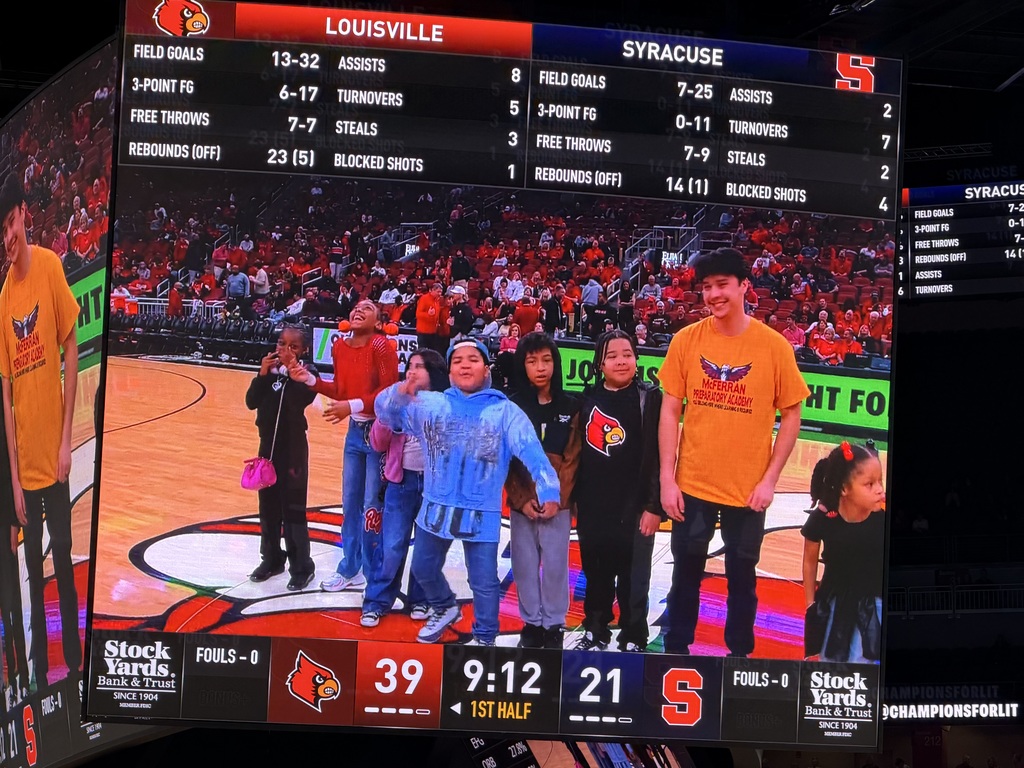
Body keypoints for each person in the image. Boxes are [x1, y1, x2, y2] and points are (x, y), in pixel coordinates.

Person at [658, 248, 810, 657]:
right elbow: (671, 410)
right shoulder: (686, 340)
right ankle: (676, 649)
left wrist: (770, 480)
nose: (713, 294)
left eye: (722, 284)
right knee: (685, 576)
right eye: (706, 287)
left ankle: (739, 655)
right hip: (691, 484)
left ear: (745, 286)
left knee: (742, 580)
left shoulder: (774, 346)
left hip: (748, 491)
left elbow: (792, 412)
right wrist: (667, 478)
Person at [374, 338, 559, 645]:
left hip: (480, 513)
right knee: (422, 567)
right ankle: (445, 606)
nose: (465, 364)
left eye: (473, 359)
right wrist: (399, 392)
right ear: (449, 372)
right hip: (434, 508)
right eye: (458, 360)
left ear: (486, 369)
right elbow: (385, 414)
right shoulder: (430, 404)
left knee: (483, 581)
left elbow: (533, 455)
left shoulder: (505, 412)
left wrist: (549, 491)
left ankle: (485, 638)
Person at [0, 174, 82, 688]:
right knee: (32, 574)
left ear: (23, 215)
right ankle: (35, 674)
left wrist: (67, 441)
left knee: (66, 572)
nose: (5, 238)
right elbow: (5, 401)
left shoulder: (50, 266)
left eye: (8, 225)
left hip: (55, 460)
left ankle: (74, 666)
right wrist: (12, 483)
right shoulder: (1, 300)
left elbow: (70, 348)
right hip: (25, 472)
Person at [298, 300, 399, 592]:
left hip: (378, 432)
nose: (358, 310)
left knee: (371, 505)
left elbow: (388, 392)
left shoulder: (381, 346)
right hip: (355, 432)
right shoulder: (340, 346)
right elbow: (340, 389)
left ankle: (374, 570)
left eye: (367, 308)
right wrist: (312, 380)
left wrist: (351, 404)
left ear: (378, 322)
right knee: (349, 502)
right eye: (356, 307)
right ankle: (350, 567)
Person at [573, 330, 663, 651]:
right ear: (599, 363)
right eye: (612, 355)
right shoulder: (586, 400)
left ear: (637, 360)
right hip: (594, 506)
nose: (621, 361)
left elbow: (661, 456)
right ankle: (595, 630)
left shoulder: (651, 399)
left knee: (634, 580)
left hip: (637, 508)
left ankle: (633, 636)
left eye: (627, 354)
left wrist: (655, 506)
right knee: (596, 575)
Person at [504, 333, 581, 649]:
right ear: (522, 365)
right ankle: (531, 623)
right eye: (532, 360)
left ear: (556, 363)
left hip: (557, 506)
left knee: (554, 565)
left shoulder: (572, 406)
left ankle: (553, 625)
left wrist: (556, 498)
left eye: (547, 360)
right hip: (524, 503)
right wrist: (522, 500)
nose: (540, 367)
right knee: (522, 563)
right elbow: (505, 459)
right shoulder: (510, 406)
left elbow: (574, 458)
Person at [362, 349, 449, 627]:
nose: (412, 371)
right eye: (409, 366)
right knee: (392, 545)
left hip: (434, 488)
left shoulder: (445, 404)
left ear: (433, 373)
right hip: (401, 483)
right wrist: (392, 413)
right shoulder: (393, 403)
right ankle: (376, 601)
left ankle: (420, 599)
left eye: (419, 367)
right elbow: (377, 443)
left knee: (426, 548)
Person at [245, 325, 319, 591]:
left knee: (293, 511)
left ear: (304, 350)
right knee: (268, 509)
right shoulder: (269, 372)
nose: (284, 350)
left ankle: (302, 567)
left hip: (293, 450)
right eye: (281, 343)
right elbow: (251, 402)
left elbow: (299, 402)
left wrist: (291, 371)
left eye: (293, 346)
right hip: (267, 449)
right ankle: (272, 559)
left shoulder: (308, 374)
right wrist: (263, 374)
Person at [802, 441, 885, 663]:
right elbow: (809, 561)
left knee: (864, 666)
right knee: (831, 666)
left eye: (880, 481)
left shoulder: (883, 519)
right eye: (869, 484)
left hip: (873, 603)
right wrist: (811, 604)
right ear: (844, 489)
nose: (880, 489)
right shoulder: (824, 516)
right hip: (833, 603)